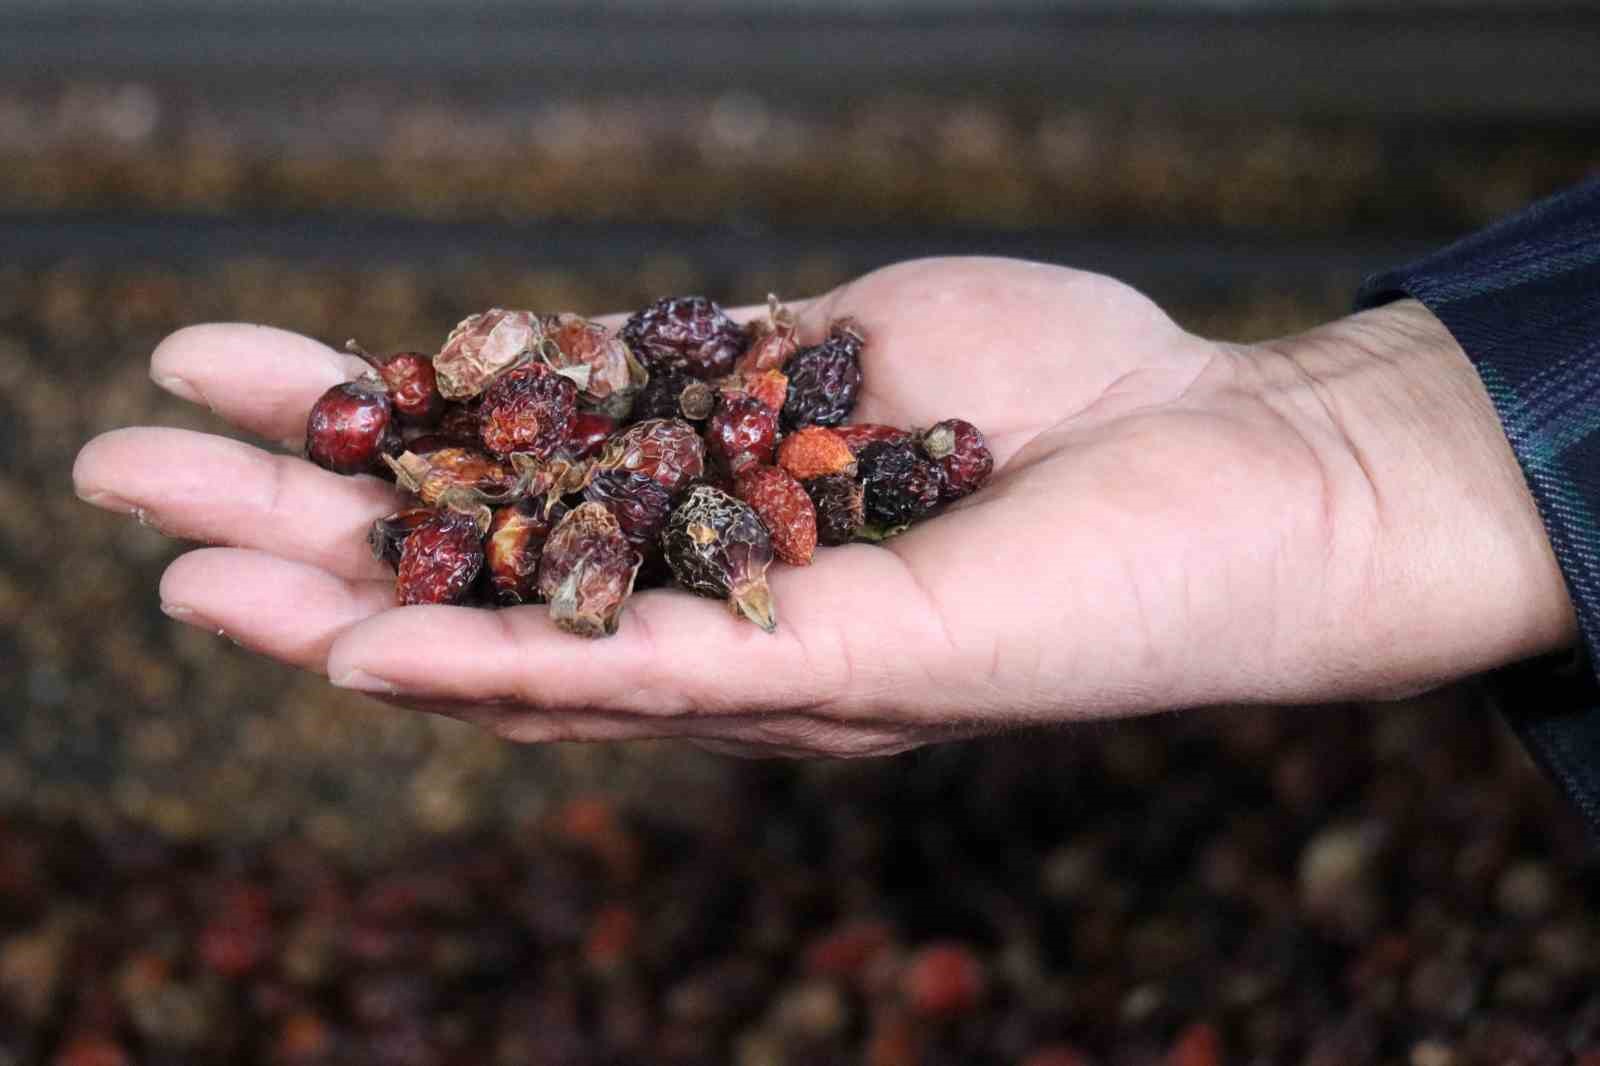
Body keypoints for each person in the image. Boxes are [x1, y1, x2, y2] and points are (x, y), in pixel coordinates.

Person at [71, 179, 1599, 831]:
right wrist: (1368, 444)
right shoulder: (611, 444)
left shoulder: (745, 438)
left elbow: (701, 436)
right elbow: (647, 428)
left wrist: (1368, 457)